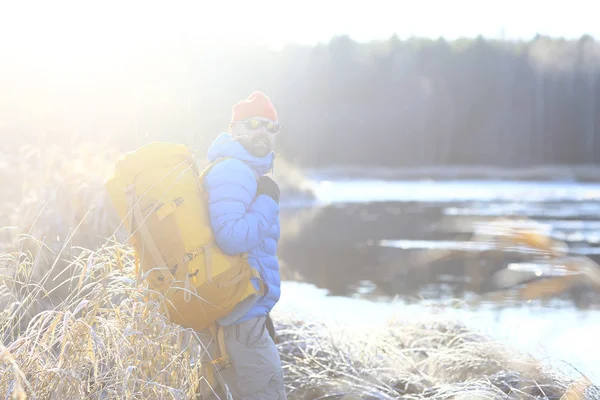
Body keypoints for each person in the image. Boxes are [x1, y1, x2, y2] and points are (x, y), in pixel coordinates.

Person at [197, 91, 287, 399]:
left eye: (271, 126)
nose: (263, 131)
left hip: (243, 309)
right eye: (253, 124)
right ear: (234, 129)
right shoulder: (233, 170)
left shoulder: (247, 171)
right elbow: (232, 237)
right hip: (239, 312)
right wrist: (267, 199)